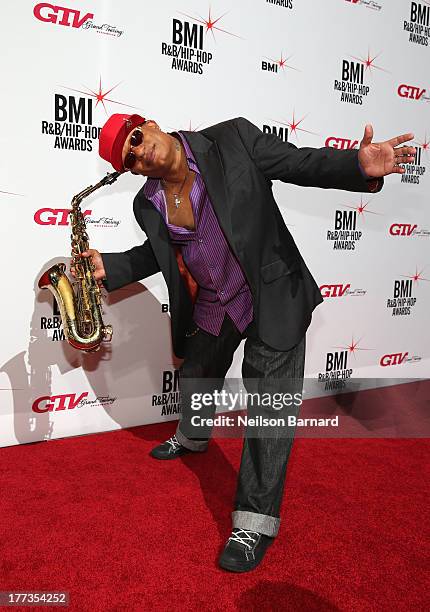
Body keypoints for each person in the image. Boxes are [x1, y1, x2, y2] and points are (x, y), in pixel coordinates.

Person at [81, 114, 415, 572]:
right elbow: (156, 254)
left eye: (136, 140)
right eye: (131, 160)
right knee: (197, 373)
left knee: (269, 409)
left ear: (152, 125)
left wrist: (355, 166)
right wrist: (112, 267)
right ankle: (193, 436)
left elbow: (298, 163)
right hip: (216, 301)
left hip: (269, 290)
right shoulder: (148, 202)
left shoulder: (232, 139)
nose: (140, 154)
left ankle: (254, 521)